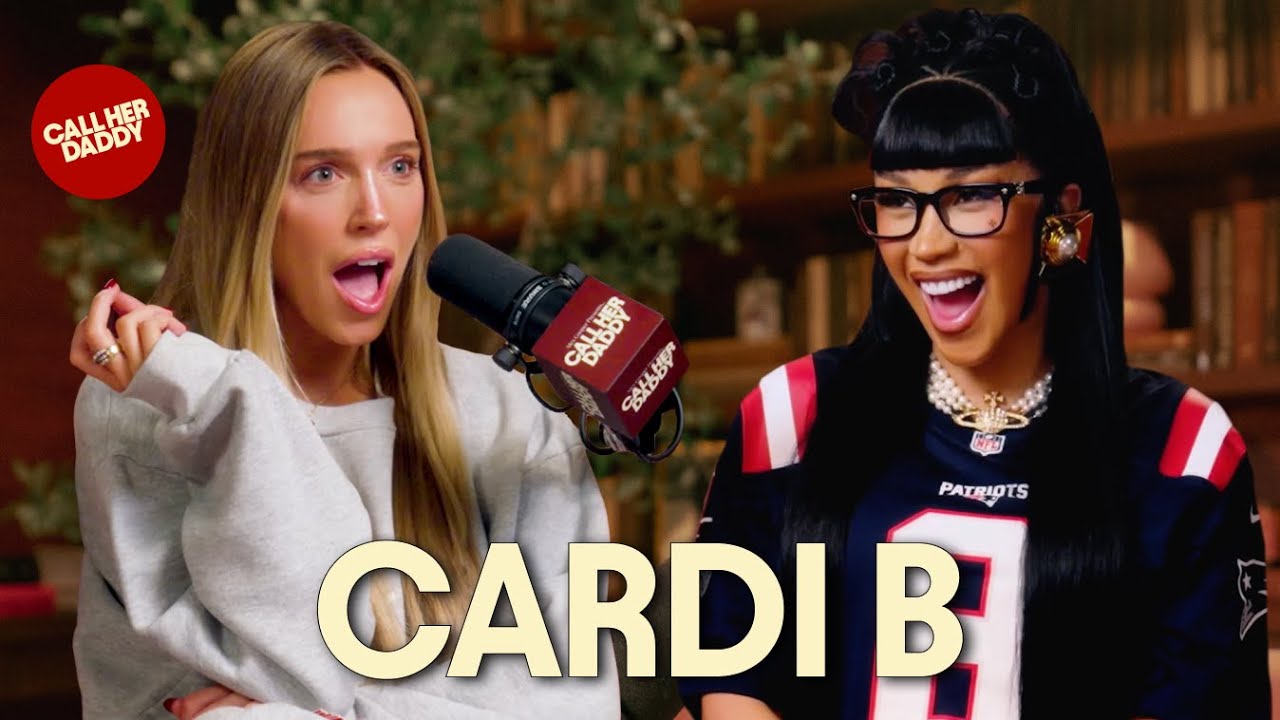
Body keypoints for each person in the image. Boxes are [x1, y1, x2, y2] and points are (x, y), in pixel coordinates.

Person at [678, 7, 1271, 720]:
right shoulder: (793, 416)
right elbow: (729, 680)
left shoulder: (1183, 448)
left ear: (1060, 213)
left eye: (971, 196)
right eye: (897, 200)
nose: (927, 245)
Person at [68, 20, 619, 720]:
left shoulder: (511, 416)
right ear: (247, 203)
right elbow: (200, 697)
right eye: (322, 173)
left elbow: (576, 706)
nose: (375, 212)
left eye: (400, 166)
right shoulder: (155, 406)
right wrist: (234, 408)